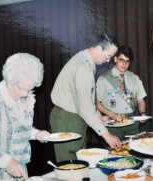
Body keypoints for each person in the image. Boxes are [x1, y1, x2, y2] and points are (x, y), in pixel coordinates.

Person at [50, 33, 121, 162]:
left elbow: (87, 96)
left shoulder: (84, 59)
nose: (108, 61)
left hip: (73, 117)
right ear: (99, 49)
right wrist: (106, 134)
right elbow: (85, 106)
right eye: (108, 56)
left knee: (80, 160)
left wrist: (99, 117)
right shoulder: (83, 68)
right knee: (70, 165)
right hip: (68, 120)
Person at [96, 45, 147, 140]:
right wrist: (111, 114)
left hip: (132, 123)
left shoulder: (135, 78)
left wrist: (143, 113)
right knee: (115, 152)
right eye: (121, 60)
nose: (124, 64)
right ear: (115, 59)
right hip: (113, 123)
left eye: (127, 61)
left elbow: (140, 100)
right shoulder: (104, 79)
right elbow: (96, 102)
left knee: (133, 151)